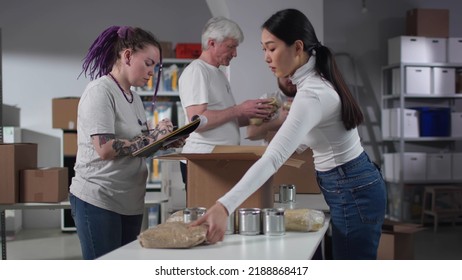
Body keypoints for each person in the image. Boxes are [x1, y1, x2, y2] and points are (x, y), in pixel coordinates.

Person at [191, 9, 387, 260]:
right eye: (263, 49)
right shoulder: (315, 81)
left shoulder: (311, 94)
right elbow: (306, 141)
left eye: (271, 48)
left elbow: (273, 159)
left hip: (352, 188)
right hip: (350, 183)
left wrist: (223, 206)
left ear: (297, 47)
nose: (266, 57)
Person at [69, 26, 177, 260]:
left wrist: (167, 139)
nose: (152, 72)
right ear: (127, 56)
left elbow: (142, 145)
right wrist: (154, 135)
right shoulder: (100, 91)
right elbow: (106, 148)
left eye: (156, 67)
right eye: (148, 63)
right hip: (100, 199)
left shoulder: (134, 97)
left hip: (130, 200)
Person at [178, 16, 274, 185]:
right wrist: (239, 109)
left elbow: (227, 119)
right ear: (211, 43)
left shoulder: (218, 73)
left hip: (216, 161)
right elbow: (197, 121)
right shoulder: (197, 71)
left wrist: (255, 113)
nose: (235, 54)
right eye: (231, 47)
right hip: (203, 161)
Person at [246, 76, 296, 143]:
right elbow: (251, 134)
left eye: (294, 75)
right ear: (278, 76)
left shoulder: (312, 99)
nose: (290, 80)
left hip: (307, 153)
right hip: (273, 152)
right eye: (286, 76)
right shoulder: (268, 99)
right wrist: (279, 121)